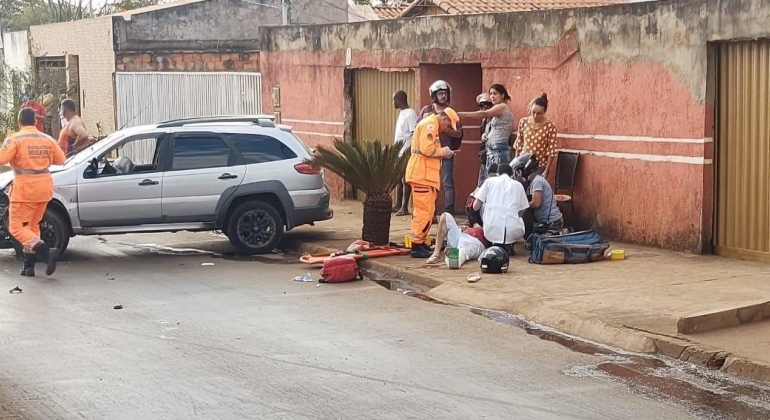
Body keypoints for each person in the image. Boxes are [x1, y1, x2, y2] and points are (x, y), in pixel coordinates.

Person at [0, 108, 66, 276]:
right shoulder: (47, 139)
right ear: (35, 121)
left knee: (16, 227)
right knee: (31, 227)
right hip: (44, 188)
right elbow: (61, 160)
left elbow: (2, 159)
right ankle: (29, 267)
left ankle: (45, 251)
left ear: (19, 122)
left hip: (25, 190)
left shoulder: (15, 139)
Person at [406, 107, 459, 259]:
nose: (446, 130)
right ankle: (417, 245)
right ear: (444, 119)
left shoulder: (432, 125)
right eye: (447, 126)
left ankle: (420, 242)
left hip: (424, 175)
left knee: (427, 211)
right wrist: (444, 151)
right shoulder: (430, 125)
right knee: (424, 212)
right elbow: (427, 149)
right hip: (422, 175)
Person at [418, 80, 464, 214]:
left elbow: (459, 132)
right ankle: (429, 211)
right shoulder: (426, 111)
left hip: (446, 152)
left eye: (445, 93)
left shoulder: (450, 112)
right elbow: (418, 128)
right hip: (429, 152)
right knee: (430, 183)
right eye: (440, 94)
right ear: (434, 95)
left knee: (447, 182)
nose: (443, 96)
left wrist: (445, 130)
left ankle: (448, 212)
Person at [457, 84, 515, 186]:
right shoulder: (498, 109)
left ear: (502, 95)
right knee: (490, 182)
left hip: (499, 150)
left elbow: (484, 114)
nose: (492, 96)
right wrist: (485, 135)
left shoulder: (502, 107)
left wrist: (463, 115)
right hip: (492, 150)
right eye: (491, 94)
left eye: (495, 94)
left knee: (496, 183)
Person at [472, 163, 529, 255]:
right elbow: (524, 209)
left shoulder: (489, 181)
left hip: (491, 228)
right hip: (514, 230)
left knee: (484, 205)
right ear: (512, 175)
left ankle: (495, 243)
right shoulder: (518, 185)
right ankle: (508, 243)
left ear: (498, 173)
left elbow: (475, 206)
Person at [512, 153, 564, 239]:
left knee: (525, 212)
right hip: (546, 222)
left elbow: (536, 203)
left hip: (552, 222)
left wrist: (521, 206)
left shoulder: (537, 181)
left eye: (519, 171)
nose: (519, 174)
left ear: (527, 169)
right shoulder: (533, 182)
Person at [513, 93, 558, 180]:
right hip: (523, 162)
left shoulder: (550, 126)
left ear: (544, 112)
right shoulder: (523, 122)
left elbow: (551, 151)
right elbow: (519, 143)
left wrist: (546, 170)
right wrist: (516, 163)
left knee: (533, 185)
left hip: (539, 164)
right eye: (533, 112)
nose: (535, 116)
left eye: (539, 113)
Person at [392, 90, 418, 216]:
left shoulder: (410, 114)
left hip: (406, 151)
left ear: (399, 100)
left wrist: (408, 150)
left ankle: (404, 207)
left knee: (405, 179)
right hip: (399, 151)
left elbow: (414, 133)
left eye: (394, 100)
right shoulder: (402, 113)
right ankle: (398, 204)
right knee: (398, 179)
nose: (393, 103)